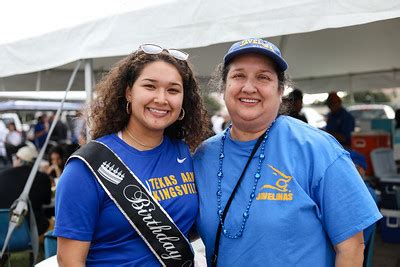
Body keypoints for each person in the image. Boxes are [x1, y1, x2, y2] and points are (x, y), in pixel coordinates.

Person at [193, 38, 382, 266]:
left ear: (280, 90)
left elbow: (352, 247)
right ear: (224, 88)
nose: (249, 87)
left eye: (263, 77)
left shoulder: (317, 149)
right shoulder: (204, 156)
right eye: (238, 76)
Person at [54, 44, 210, 266]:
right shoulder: (86, 168)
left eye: (173, 90)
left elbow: (181, 228)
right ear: (128, 92)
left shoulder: (184, 153)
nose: (161, 99)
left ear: (183, 99)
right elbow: (69, 261)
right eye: (150, 86)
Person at [0, 145, 52, 235]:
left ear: (20, 159)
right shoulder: (43, 178)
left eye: (15, 157)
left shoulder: (2, 176)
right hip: (31, 231)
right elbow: (47, 202)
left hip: (3, 231)